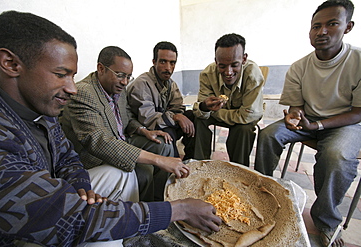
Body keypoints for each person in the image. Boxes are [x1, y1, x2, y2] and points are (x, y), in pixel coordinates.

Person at [0, 10, 221, 246]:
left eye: (72, 76)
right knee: (114, 198)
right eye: (61, 75)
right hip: (23, 230)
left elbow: (67, 157)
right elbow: (69, 216)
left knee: (129, 170)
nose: (71, 88)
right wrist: (177, 210)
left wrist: (82, 188)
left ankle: (129, 231)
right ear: (10, 63)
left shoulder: (42, 107)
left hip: (68, 187)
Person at [254, 1, 361, 246]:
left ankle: (326, 221)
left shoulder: (358, 61)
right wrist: (294, 116)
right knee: (269, 134)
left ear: (348, 27)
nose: (322, 32)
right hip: (308, 120)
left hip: (346, 124)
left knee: (336, 154)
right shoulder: (299, 67)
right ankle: (262, 194)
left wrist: (320, 127)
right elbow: (295, 106)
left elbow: (358, 113)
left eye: (332, 24)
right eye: (316, 26)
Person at [60, 46, 185, 202]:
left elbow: (127, 118)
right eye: (120, 75)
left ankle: (159, 197)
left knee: (163, 145)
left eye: (128, 77)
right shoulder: (84, 93)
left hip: (122, 139)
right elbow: (100, 142)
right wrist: (157, 160)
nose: (125, 82)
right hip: (97, 156)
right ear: (101, 69)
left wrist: (143, 130)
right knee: (145, 171)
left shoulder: (119, 88)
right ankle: (143, 208)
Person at [192, 33, 264, 166]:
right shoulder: (207, 74)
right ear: (216, 61)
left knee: (243, 129)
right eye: (222, 66)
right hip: (235, 114)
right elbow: (200, 110)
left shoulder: (253, 74)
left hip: (242, 120)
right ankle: (199, 165)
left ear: (244, 59)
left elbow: (247, 115)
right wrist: (204, 106)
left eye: (234, 65)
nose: (228, 72)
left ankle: (239, 169)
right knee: (199, 120)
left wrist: (214, 112)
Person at [127, 41, 195, 160]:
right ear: (154, 62)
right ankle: (173, 167)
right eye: (163, 62)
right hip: (142, 130)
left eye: (172, 63)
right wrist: (175, 117)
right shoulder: (142, 84)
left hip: (160, 123)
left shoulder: (170, 84)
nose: (168, 68)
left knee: (192, 117)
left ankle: (192, 160)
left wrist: (177, 116)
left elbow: (178, 107)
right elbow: (149, 119)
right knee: (167, 130)